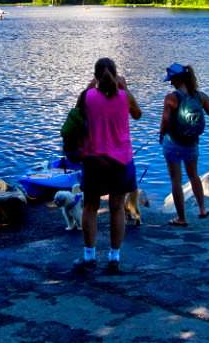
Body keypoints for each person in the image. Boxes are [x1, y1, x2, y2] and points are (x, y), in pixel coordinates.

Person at [73, 58, 142, 275]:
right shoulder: (124, 96)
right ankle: (114, 258)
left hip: (94, 160)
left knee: (90, 207)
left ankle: (89, 257)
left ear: (95, 76)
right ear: (115, 74)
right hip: (121, 160)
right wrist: (126, 88)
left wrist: (88, 87)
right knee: (117, 207)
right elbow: (137, 115)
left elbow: (77, 115)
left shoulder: (87, 96)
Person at [159, 62, 209, 226]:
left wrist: (161, 134)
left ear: (177, 79)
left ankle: (182, 218)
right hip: (192, 143)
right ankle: (202, 209)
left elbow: (164, 123)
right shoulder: (200, 96)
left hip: (173, 143)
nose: (170, 83)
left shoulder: (171, 98)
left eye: (171, 80)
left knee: (175, 180)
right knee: (194, 175)